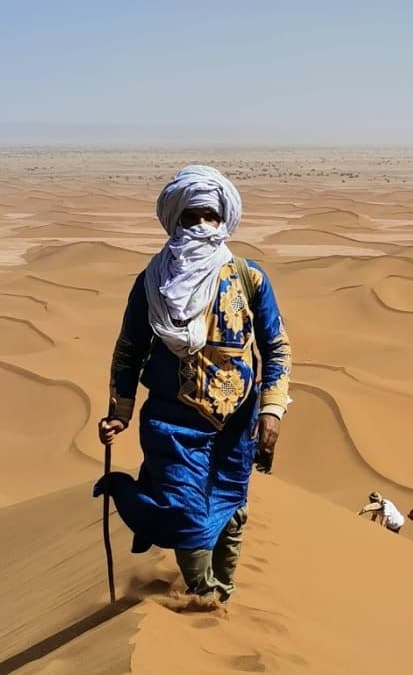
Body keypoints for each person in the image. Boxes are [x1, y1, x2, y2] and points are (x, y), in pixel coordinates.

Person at [93, 165, 293, 607]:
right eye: (191, 217)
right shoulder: (153, 283)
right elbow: (128, 350)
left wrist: (272, 410)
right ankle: (203, 598)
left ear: (223, 221)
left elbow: (276, 348)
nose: (201, 227)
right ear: (175, 221)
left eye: (209, 217)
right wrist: (118, 413)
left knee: (231, 507)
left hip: (237, 422)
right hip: (171, 423)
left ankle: (225, 591)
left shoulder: (248, 276)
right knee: (186, 514)